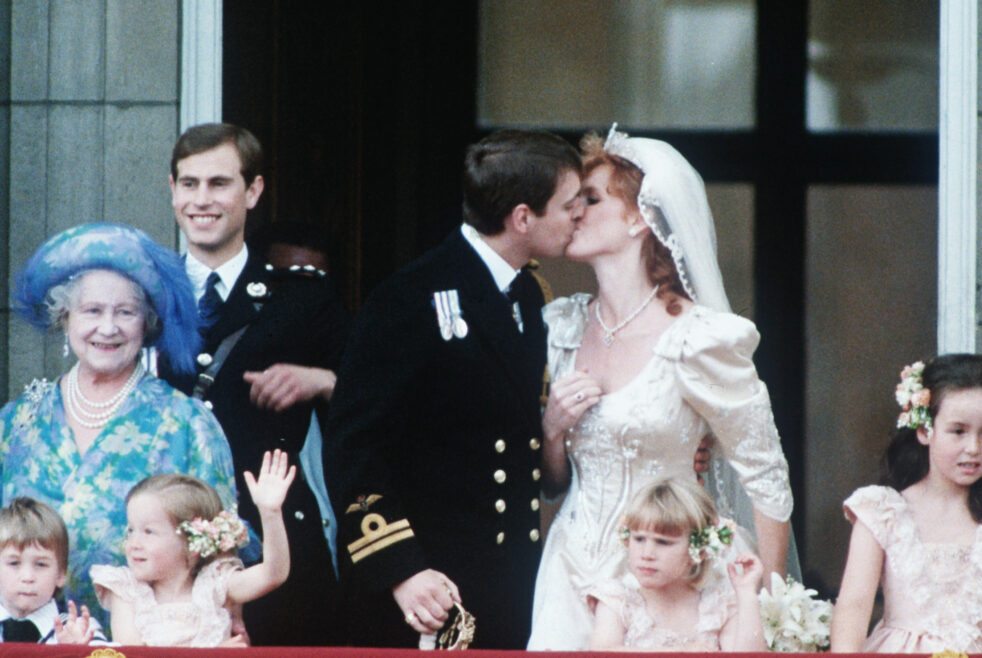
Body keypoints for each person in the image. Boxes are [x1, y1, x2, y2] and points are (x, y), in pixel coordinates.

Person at [528, 126, 794, 650]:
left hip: (673, 580)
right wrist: (554, 430)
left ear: (639, 217)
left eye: (591, 198)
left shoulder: (698, 339)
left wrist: (764, 601)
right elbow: (553, 481)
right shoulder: (560, 327)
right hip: (568, 570)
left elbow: (764, 474)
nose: (574, 210)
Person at [326, 129, 583, 649]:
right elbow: (354, 451)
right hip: (428, 592)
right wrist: (401, 569)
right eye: (569, 205)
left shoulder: (532, 294)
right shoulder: (408, 299)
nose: (580, 215)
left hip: (509, 586)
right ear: (522, 218)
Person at [161, 123, 348, 646]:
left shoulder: (303, 301)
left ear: (253, 191)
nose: (202, 200)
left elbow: (376, 407)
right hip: (165, 555)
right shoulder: (144, 299)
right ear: (172, 190)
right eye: (189, 183)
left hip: (276, 550)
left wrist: (324, 381)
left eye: (219, 183)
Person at [1, 223, 240, 630]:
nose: (108, 328)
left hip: (149, 645)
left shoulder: (187, 424)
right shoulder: (16, 423)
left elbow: (221, 559)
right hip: (26, 643)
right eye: (92, 310)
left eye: (125, 312)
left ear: (146, 324)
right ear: (65, 318)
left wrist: (232, 620)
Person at [831, 354, 982, 653]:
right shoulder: (882, 511)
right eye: (958, 431)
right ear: (925, 430)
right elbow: (853, 609)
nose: (973, 448)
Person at [91, 450, 294, 647]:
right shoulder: (127, 591)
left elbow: (273, 574)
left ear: (192, 544)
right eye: (131, 530)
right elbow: (134, 656)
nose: (134, 543)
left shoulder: (215, 584)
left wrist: (270, 513)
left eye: (149, 532)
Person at [588, 479, 766, 651]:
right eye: (639, 538)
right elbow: (602, 653)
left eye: (663, 542)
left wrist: (746, 593)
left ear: (699, 552)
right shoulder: (619, 602)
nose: (646, 554)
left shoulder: (718, 607)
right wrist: (678, 652)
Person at [0, 498, 106, 644]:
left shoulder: (81, 631)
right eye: (14, 563)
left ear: (61, 573)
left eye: (41, 564)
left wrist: (75, 654)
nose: (28, 577)